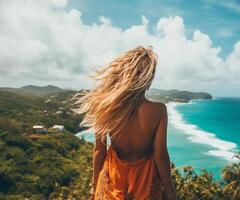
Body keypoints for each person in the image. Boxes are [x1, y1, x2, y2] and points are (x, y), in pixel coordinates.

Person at [72, 46, 177, 200]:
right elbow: (160, 155)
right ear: (147, 80)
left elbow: (99, 151)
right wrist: (170, 192)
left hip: (112, 182)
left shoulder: (106, 107)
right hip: (145, 184)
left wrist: (94, 189)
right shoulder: (159, 110)